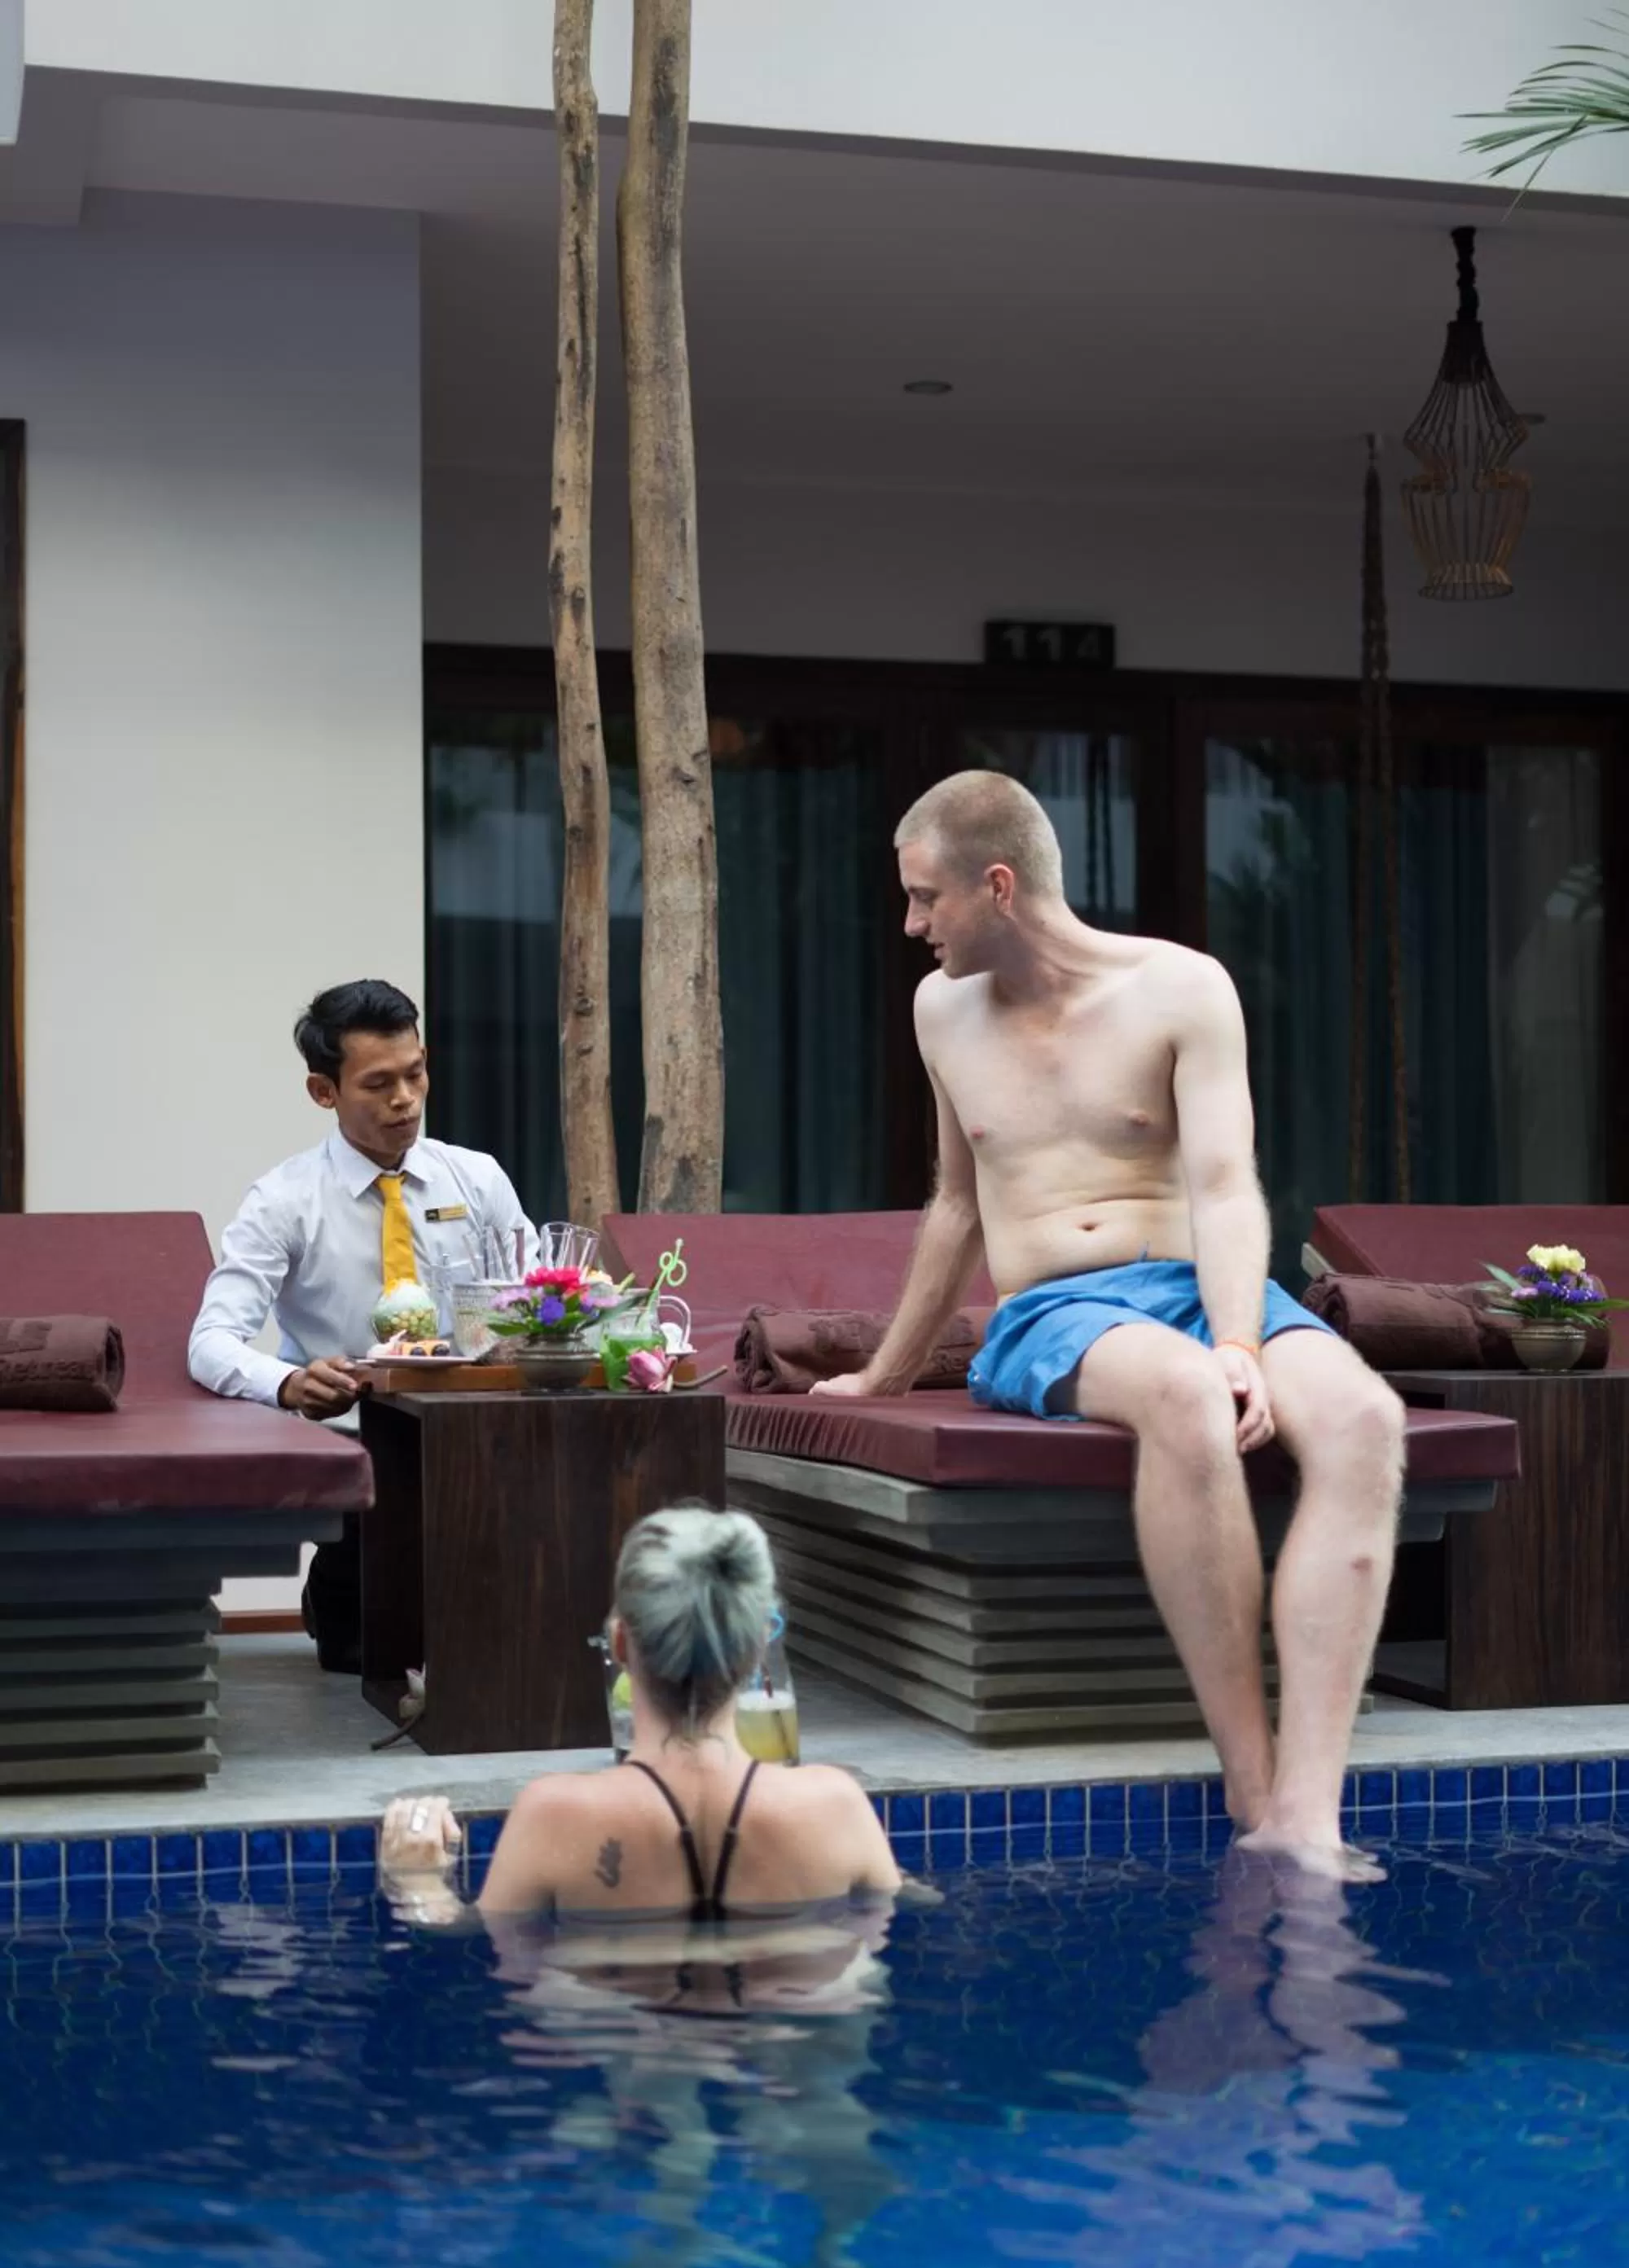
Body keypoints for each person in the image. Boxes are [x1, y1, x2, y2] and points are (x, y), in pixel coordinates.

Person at [810, 770, 1405, 1882]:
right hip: (1055, 1307)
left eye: (925, 898)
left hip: (1195, 1283)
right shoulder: (941, 1011)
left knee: (1367, 1419)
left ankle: (1307, 1814)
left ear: (998, 885)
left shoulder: (1183, 988)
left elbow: (1229, 1187)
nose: (911, 925)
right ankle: (1249, 1778)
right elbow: (953, 1202)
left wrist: (1240, 1341)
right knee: (1183, 1393)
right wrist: (881, 1377)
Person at [188, 978, 536, 1672]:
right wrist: (290, 1383)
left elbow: (533, 1296)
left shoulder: (478, 1179)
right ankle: (336, 1590)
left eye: (415, 1074)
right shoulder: (284, 1201)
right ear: (325, 1092)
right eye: (378, 1084)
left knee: (497, 1641)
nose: (405, 1100)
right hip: (354, 1436)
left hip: (475, 1426)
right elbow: (211, 1342)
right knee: (367, 1658)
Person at [380, 1506, 901, 1927]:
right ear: (761, 1645)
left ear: (621, 1644)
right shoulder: (836, 1808)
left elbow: (483, 1943)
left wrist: (417, 1883)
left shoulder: (554, 1817)